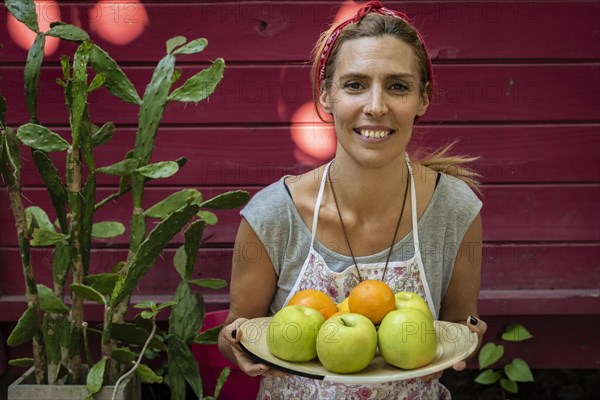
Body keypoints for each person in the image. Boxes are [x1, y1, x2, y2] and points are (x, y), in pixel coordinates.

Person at [218, 1, 487, 398]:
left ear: (423, 99)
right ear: (326, 96)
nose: (376, 107)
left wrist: (470, 333)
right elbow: (236, 331)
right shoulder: (275, 214)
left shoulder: (454, 209)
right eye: (355, 85)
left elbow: (457, 327)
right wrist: (234, 340)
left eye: (398, 86)